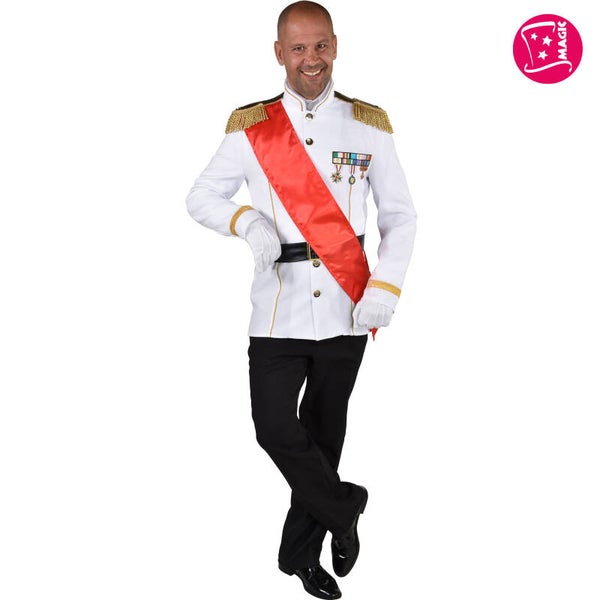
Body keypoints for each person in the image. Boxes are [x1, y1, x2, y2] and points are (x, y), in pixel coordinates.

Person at [186, 2, 416, 598]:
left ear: (334, 46)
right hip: (276, 308)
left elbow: (399, 216)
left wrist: (385, 287)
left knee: (323, 436)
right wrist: (245, 220)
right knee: (274, 428)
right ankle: (346, 506)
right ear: (279, 53)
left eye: (320, 46)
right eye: (298, 48)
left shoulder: (368, 123)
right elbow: (201, 196)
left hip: (348, 306)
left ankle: (301, 559)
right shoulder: (251, 126)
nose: (310, 59)